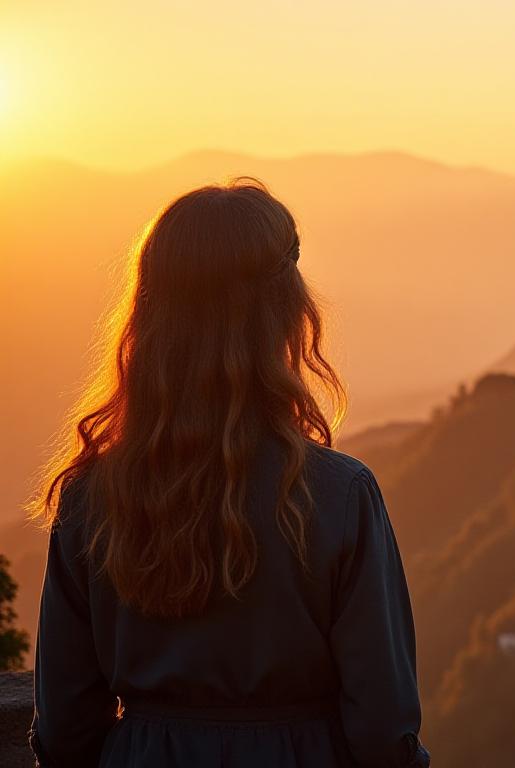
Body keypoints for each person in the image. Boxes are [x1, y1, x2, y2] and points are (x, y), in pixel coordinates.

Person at [26, 179, 430, 767]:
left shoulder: (91, 498)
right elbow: (383, 729)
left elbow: (65, 728)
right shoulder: (340, 495)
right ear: (289, 315)